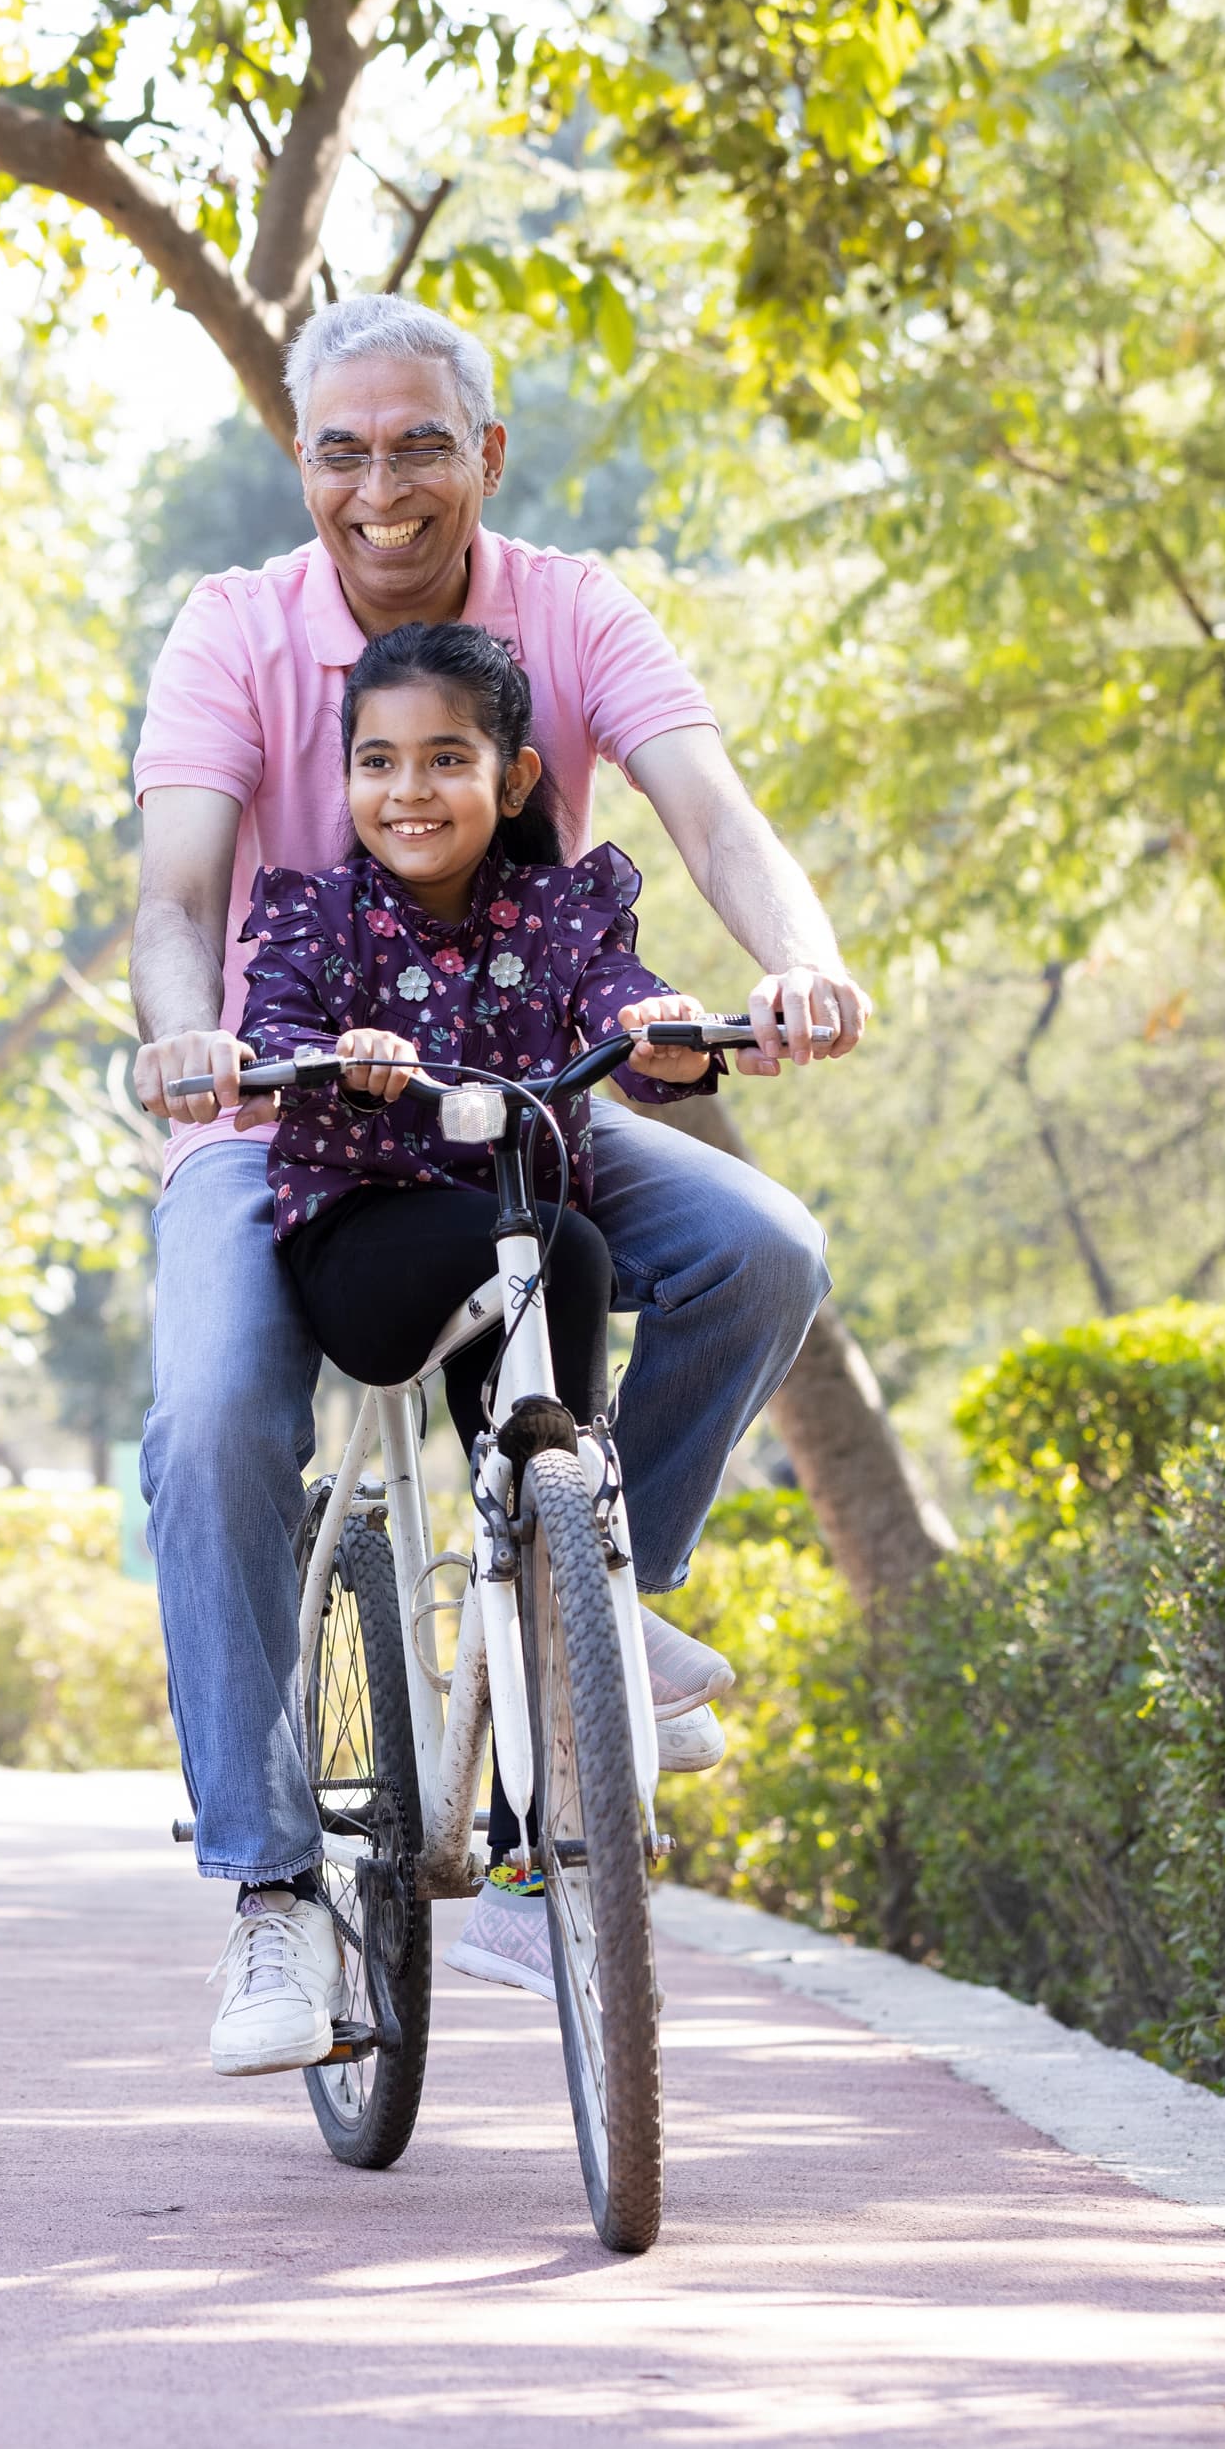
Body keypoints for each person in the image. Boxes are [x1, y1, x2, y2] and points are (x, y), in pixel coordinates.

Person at [130, 294, 868, 2077]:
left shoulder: (573, 606)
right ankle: (270, 1898)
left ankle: (586, 1626)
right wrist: (181, 1046)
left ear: (487, 457)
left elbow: (708, 811)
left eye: (420, 445)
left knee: (763, 1253)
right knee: (216, 1415)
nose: (380, 488)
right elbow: (173, 897)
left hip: (515, 1093)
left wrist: (797, 960)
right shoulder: (235, 629)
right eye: (340, 450)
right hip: (280, 1116)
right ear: (301, 460)